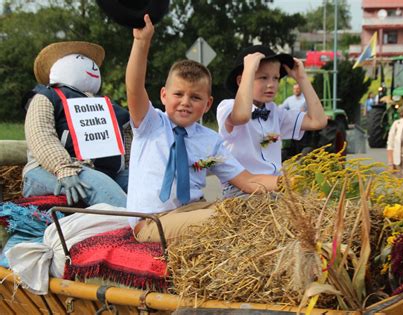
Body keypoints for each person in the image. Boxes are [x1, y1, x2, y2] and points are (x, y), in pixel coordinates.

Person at [126, 15, 279, 244]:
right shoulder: (151, 124)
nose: (185, 102)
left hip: (194, 210)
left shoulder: (210, 140)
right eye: (178, 94)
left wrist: (291, 182)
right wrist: (141, 42)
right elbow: (134, 87)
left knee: (252, 212)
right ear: (163, 96)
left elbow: (248, 181)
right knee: (221, 220)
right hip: (152, 221)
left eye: (195, 97)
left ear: (207, 104)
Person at [22, 41, 130, 207]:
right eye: (80, 59)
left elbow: (126, 135)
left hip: (104, 171)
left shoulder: (105, 104)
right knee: (101, 187)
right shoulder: (46, 97)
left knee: (142, 182)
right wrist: (64, 168)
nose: (93, 68)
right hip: (48, 170)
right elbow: (41, 135)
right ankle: (141, 229)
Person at [216, 45, 327, 197]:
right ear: (241, 80)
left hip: (275, 186)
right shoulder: (228, 106)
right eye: (263, 77)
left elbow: (318, 121)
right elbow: (242, 116)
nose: (271, 84)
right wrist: (248, 69)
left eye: (275, 78)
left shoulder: (276, 113)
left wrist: (301, 78)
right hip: (240, 191)